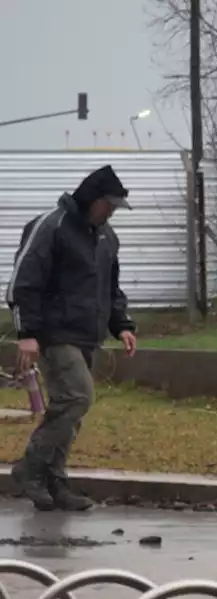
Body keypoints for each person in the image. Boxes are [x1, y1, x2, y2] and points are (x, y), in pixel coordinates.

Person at [6, 165, 138, 511]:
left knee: (71, 408)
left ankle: (54, 480)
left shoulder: (107, 237)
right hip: (53, 333)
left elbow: (110, 288)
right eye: (107, 205)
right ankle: (29, 469)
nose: (110, 212)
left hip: (87, 334)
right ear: (91, 199)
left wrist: (122, 324)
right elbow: (23, 282)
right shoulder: (51, 226)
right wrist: (28, 334)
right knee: (78, 397)